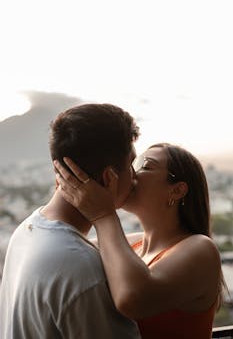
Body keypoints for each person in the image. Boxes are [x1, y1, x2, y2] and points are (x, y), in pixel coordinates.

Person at [54, 142, 224, 339]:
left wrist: (104, 216)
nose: (131, 173)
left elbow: (132, 299)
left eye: (146, 166)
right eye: (133, 164)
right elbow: (65, 252)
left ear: (177, 190)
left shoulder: (201, 248)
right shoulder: (130, 245)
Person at [0, 103, 142, 339]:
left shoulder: (26, 231)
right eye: (131, 165)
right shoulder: (82, 267)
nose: (136, 177)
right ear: (109, 178)